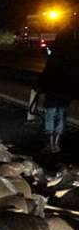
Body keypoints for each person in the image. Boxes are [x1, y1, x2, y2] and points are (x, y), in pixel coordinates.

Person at [37, 18, 79, 153]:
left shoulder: (55, 55)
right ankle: (57, 144)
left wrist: (41, 86)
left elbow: (47, 72)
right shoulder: (74, 55)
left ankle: (49, 144)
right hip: (66, 90)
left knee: (50, 114)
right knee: (61, 114)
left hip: (53, 89)